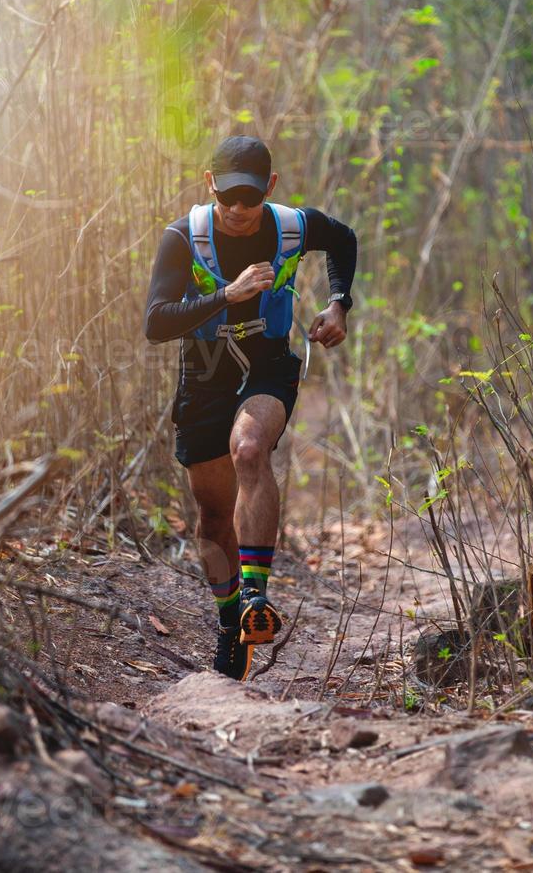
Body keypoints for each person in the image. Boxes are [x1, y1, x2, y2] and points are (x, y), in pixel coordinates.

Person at [144, 136, 357, 681]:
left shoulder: (292, 225)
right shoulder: (183, 237)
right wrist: (226, 295)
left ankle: (255, 599)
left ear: (271, 186)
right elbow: (156, 323)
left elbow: (344, 240)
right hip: (205, 376)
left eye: (250, 197)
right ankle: (229, 621)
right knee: (213, 515)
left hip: (267, 367)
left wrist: (339, 304)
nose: (238, 210)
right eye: (228, 197)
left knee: (249, 449)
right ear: (208, 183)